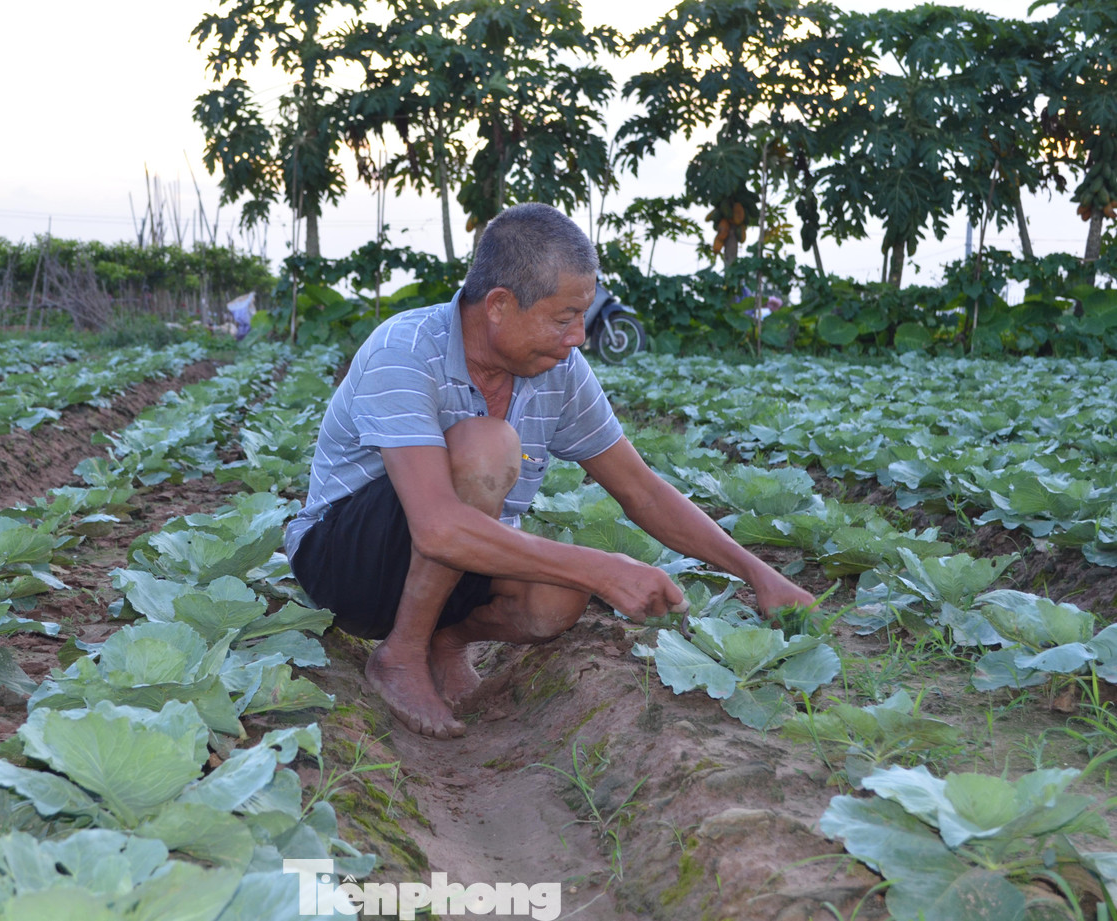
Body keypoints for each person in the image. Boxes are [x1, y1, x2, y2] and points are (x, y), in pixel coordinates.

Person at [284, 203, 814, 739]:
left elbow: (642, 492)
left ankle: (446, 641)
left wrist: (758, 575)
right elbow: (438, 528)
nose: (579, 336)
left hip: (455, 564)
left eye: (582, 316)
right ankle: (400, 655)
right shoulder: (405, 350)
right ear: (499, 305)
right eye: (563, 319)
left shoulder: (559, 370)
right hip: (346, 564)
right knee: (487, 446)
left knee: (557, 600)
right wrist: (602, 569)